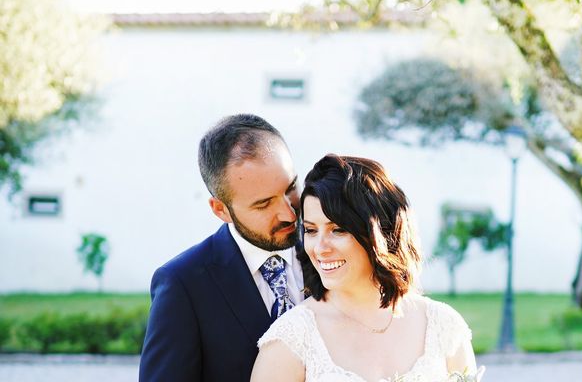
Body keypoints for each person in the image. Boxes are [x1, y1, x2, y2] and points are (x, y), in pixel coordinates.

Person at [251, 154, 484, 382]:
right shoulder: (290, 341)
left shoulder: (444, 326)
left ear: (380, 232)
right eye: (311, 230)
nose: (320, 248)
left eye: (338, 230)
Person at [139, 114, 305, 382]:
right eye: (263, 204)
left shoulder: (333, 255)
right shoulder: (183, 284)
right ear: (220, 210)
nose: (288, 213)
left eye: (291, 188)